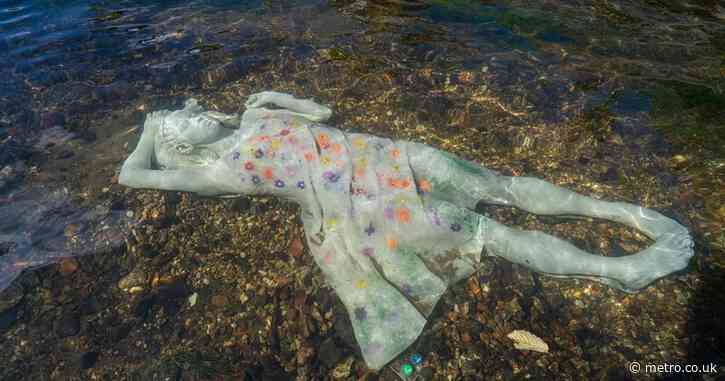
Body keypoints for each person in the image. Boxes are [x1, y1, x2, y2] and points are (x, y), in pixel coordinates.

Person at [119, 91, 694, 370]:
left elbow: (318, 114)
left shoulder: (252, 116)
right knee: (484, 231)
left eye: (187, 110)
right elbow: (131, 174)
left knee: (501, 183)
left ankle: (614, 212)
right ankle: (617, 272)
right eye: (182, 124)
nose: (196, 116)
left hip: (387, 156)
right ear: (180, 147)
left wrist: (272, 99)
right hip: (366, 204)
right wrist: (148, 130)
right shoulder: (216, 174)